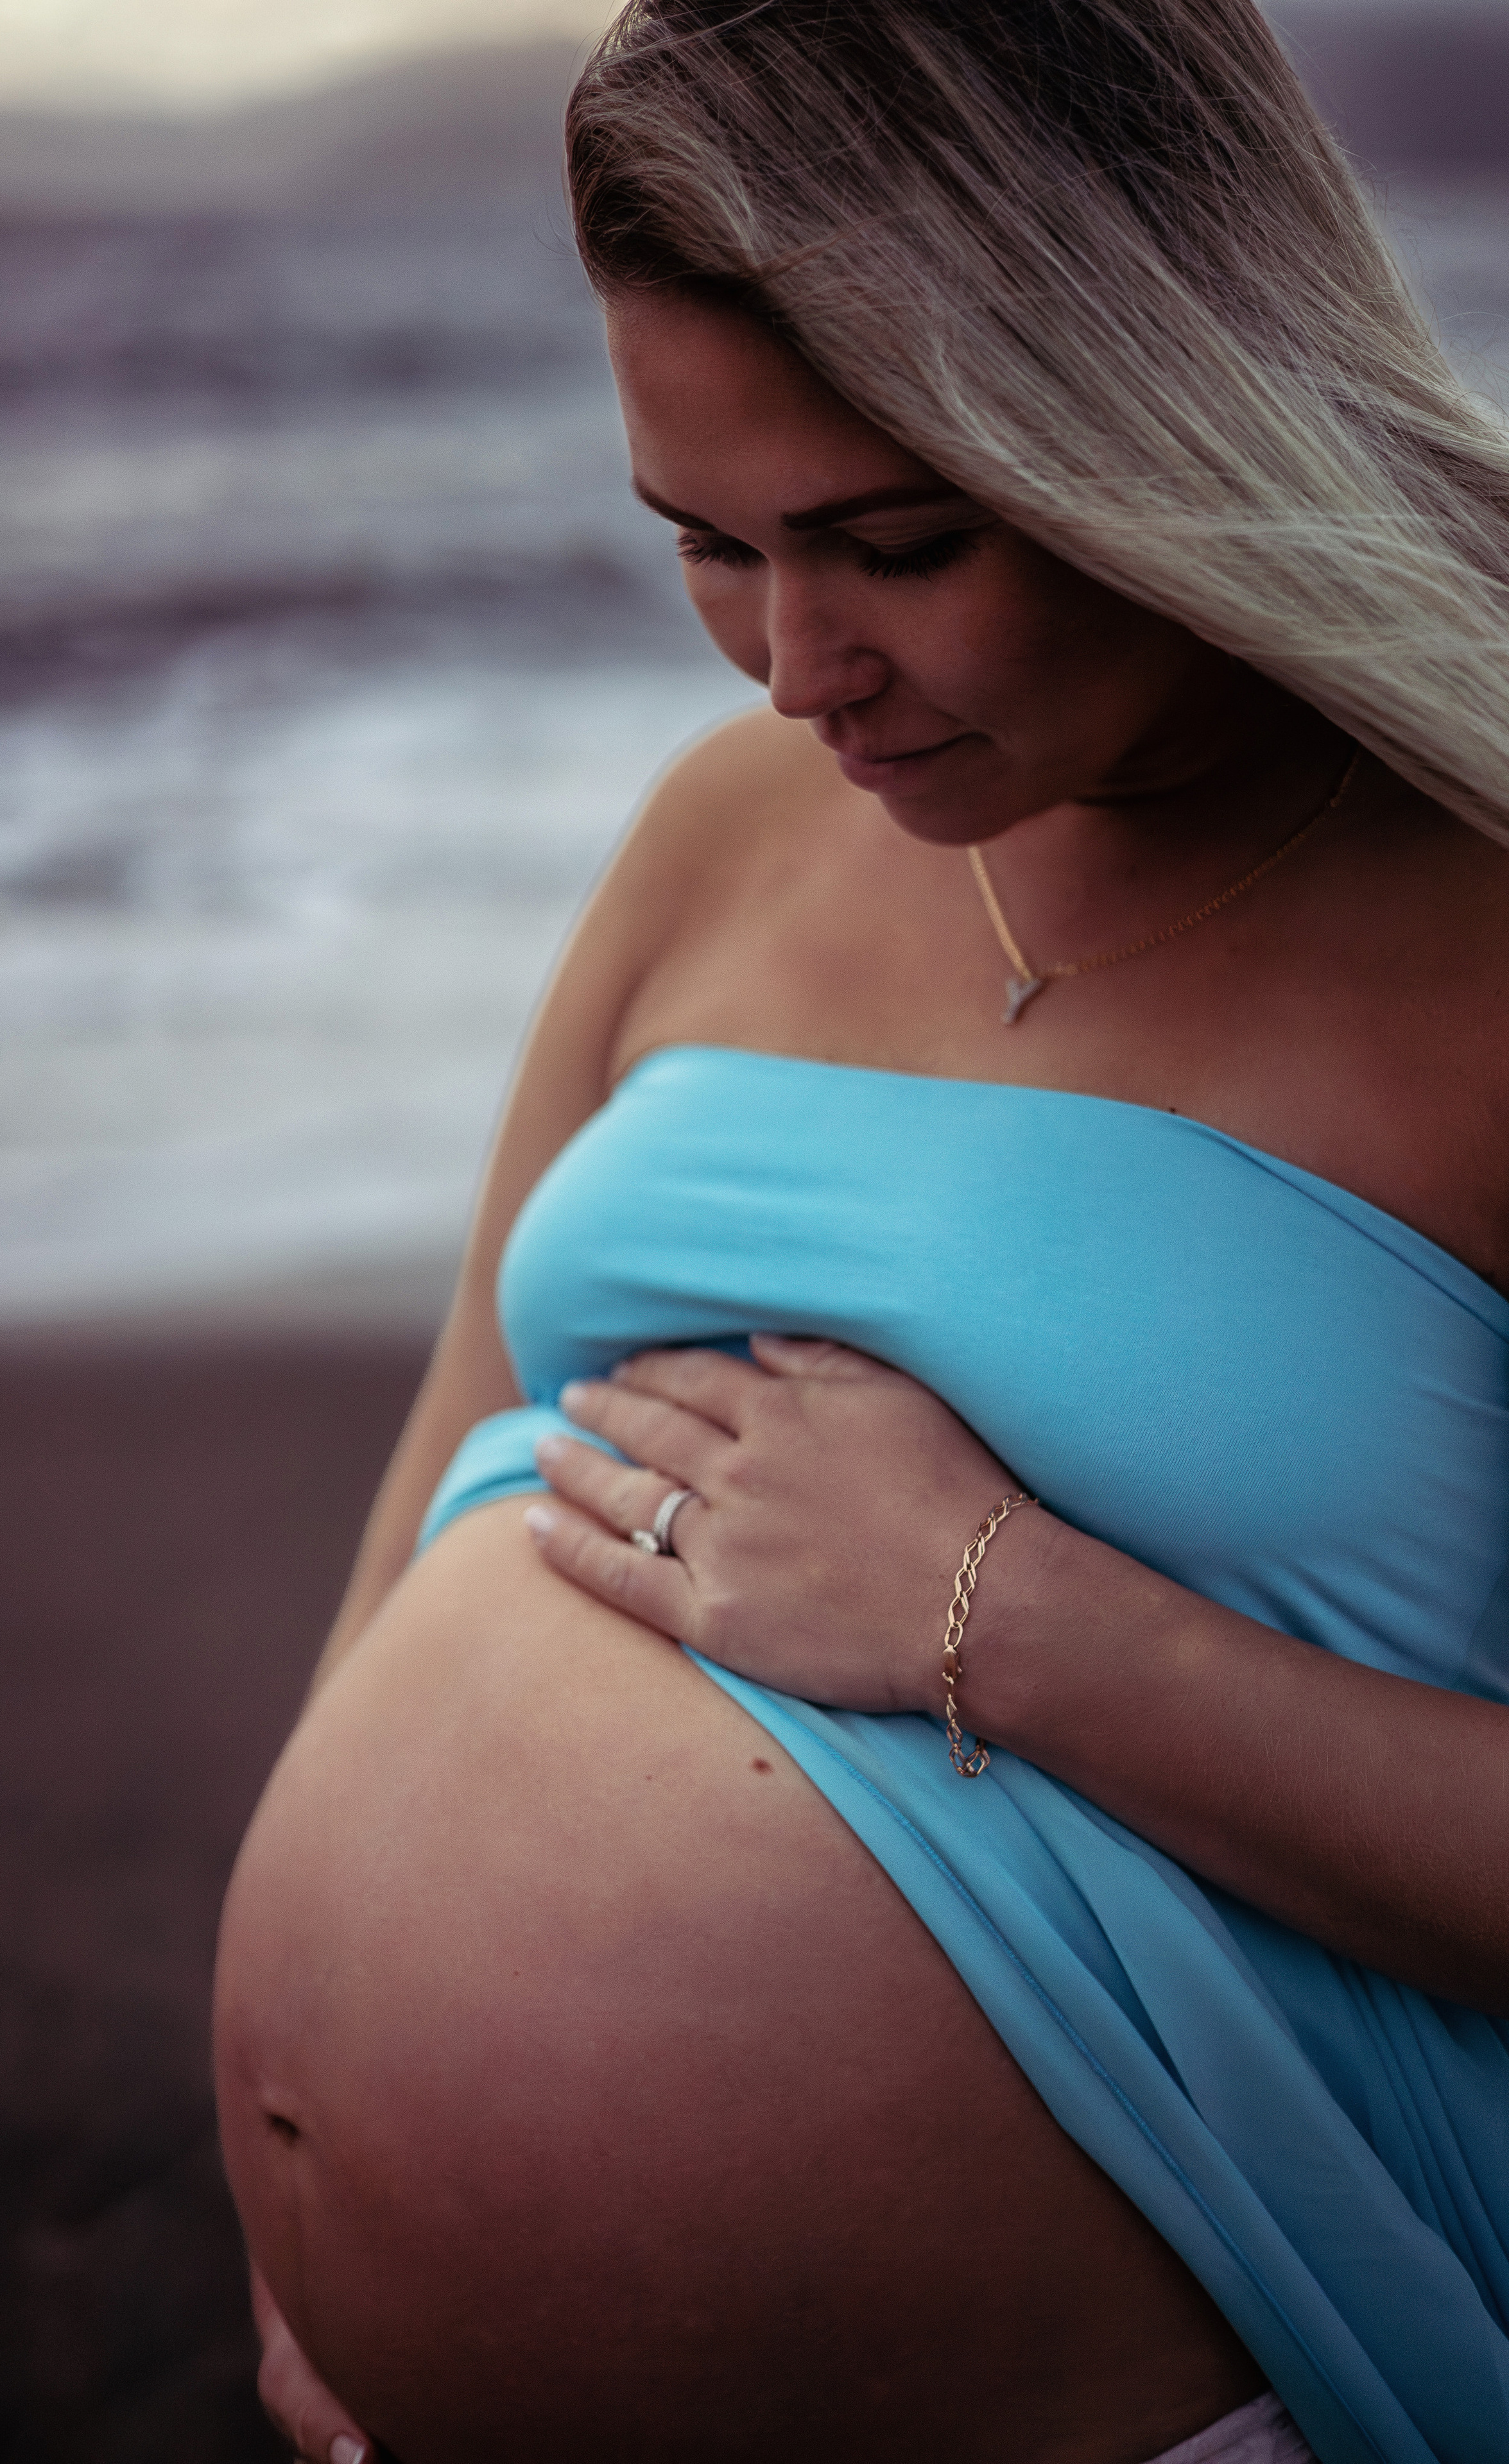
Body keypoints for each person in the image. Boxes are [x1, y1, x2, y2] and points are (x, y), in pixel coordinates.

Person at [211, 3, 1509, 2458]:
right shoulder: (727, 822)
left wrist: (996, 1619)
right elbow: (461, 1441)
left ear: (1167, 406)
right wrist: (312, 2193)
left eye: (899, 544)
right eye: (707, 544)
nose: (805, 672)